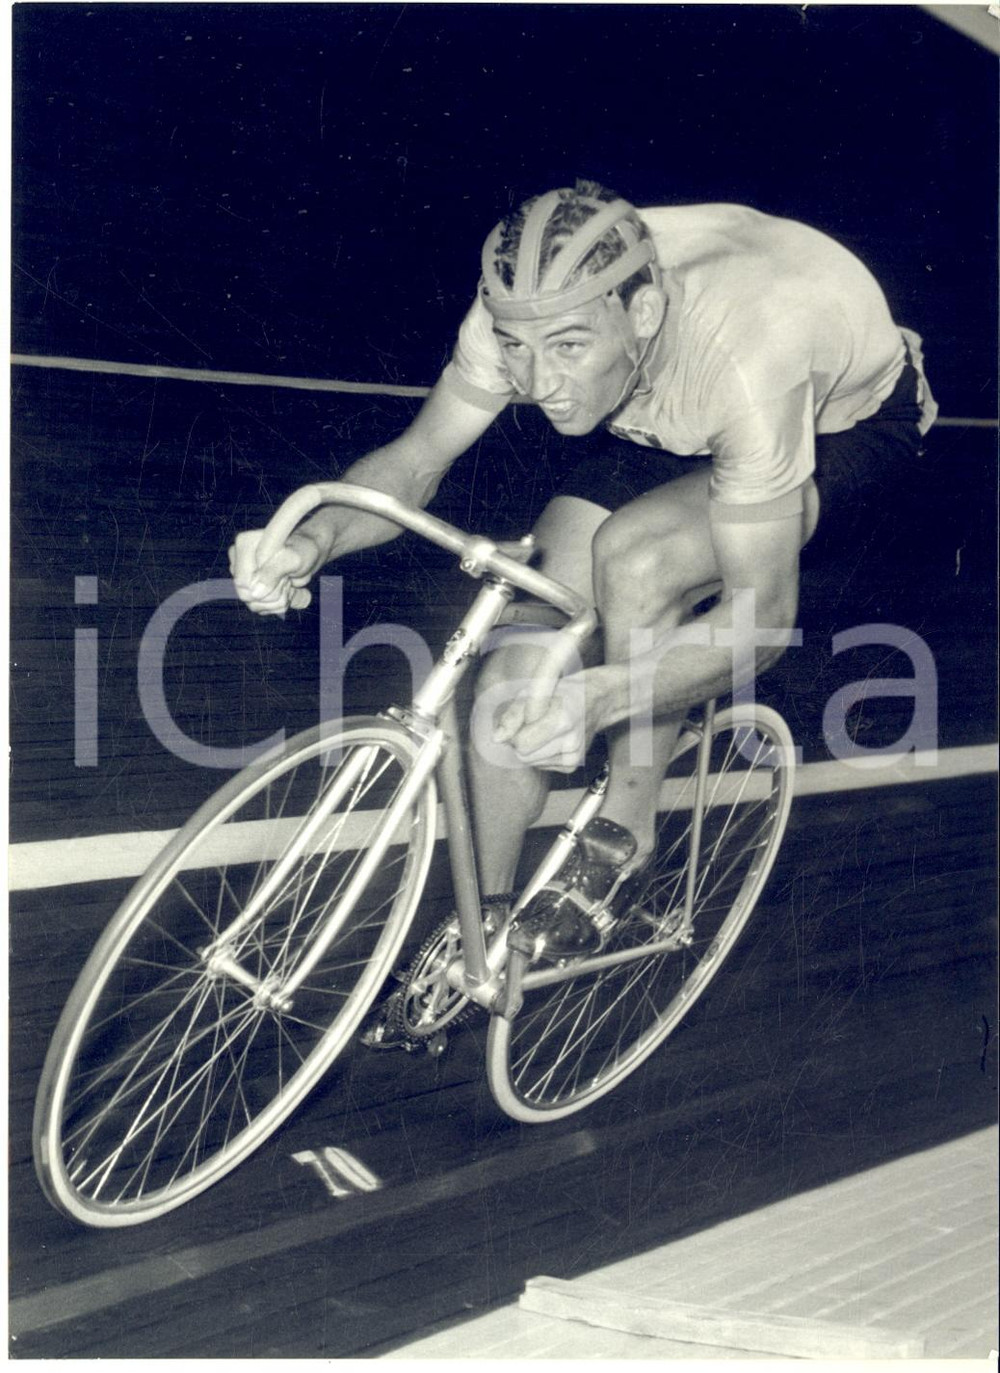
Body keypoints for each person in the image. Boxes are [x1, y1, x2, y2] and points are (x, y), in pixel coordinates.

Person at [230, 179, 937, 966]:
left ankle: (625, 833)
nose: (536, 385)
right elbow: (417, 461)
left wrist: (598, 697)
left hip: (834, 424)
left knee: (638, 561)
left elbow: (761, 618)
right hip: (658, 405)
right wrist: (312, 540)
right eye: (517, 349)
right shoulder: (524, 308)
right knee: (514, 673)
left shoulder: (747, 362)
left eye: (567, 347)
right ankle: (482, 929)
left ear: (642, 311)